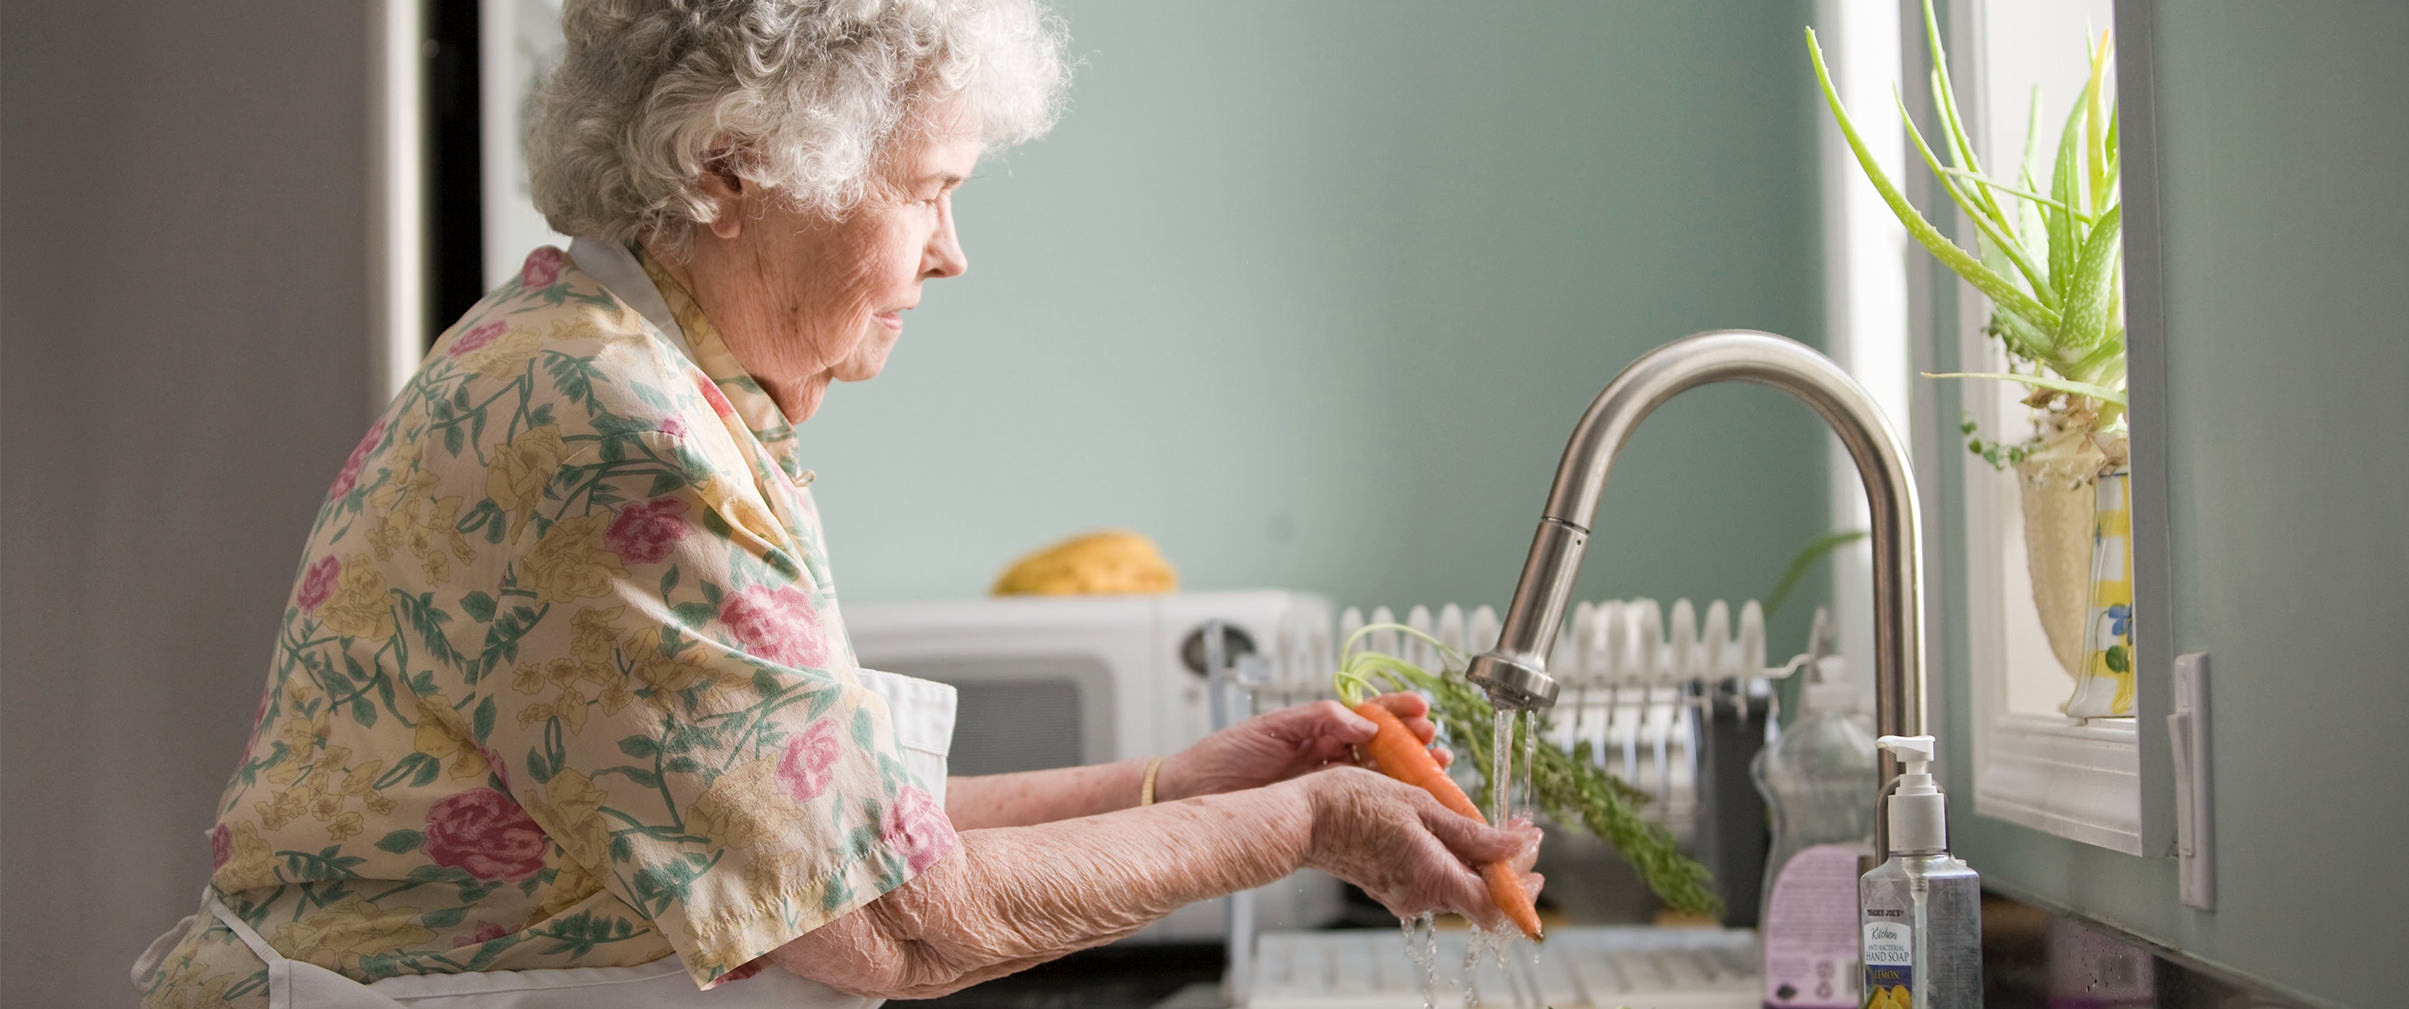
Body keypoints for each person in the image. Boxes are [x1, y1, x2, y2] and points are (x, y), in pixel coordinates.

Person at [132, 2, 1539, 1005]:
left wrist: (1182, 783)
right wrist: (1303, 827)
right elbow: (889, 922)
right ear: (734, 167)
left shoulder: (617, 368)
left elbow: (817, 825)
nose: (951, 255)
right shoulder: (614, 435)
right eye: (926, 191)